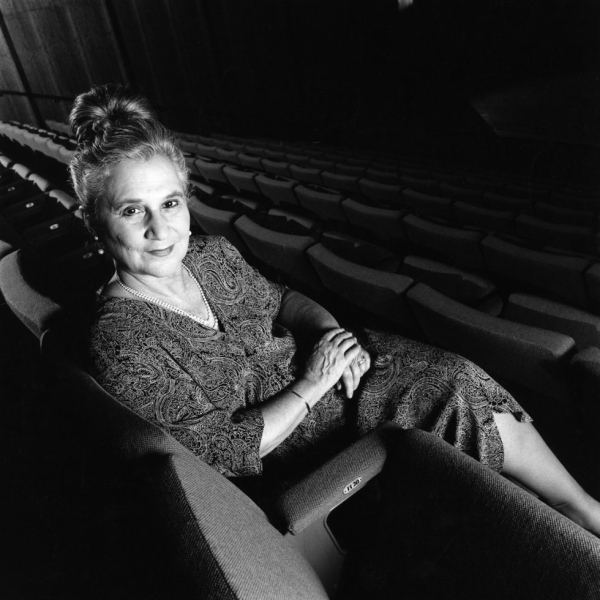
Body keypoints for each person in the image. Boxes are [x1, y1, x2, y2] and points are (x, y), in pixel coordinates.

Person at [71, 84, 600, 535]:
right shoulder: (120, 341)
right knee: (451, 388)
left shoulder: (212, 255)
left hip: (337, 382)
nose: (160, 229)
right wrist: (315, 381)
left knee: (454, 375)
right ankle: (567, 517)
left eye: (170, 202)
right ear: (96, 222)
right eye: (131, 209)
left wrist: (330, 335)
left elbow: (284, 299)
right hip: (305, 453)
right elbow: (224, 452)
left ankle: (570, 509)